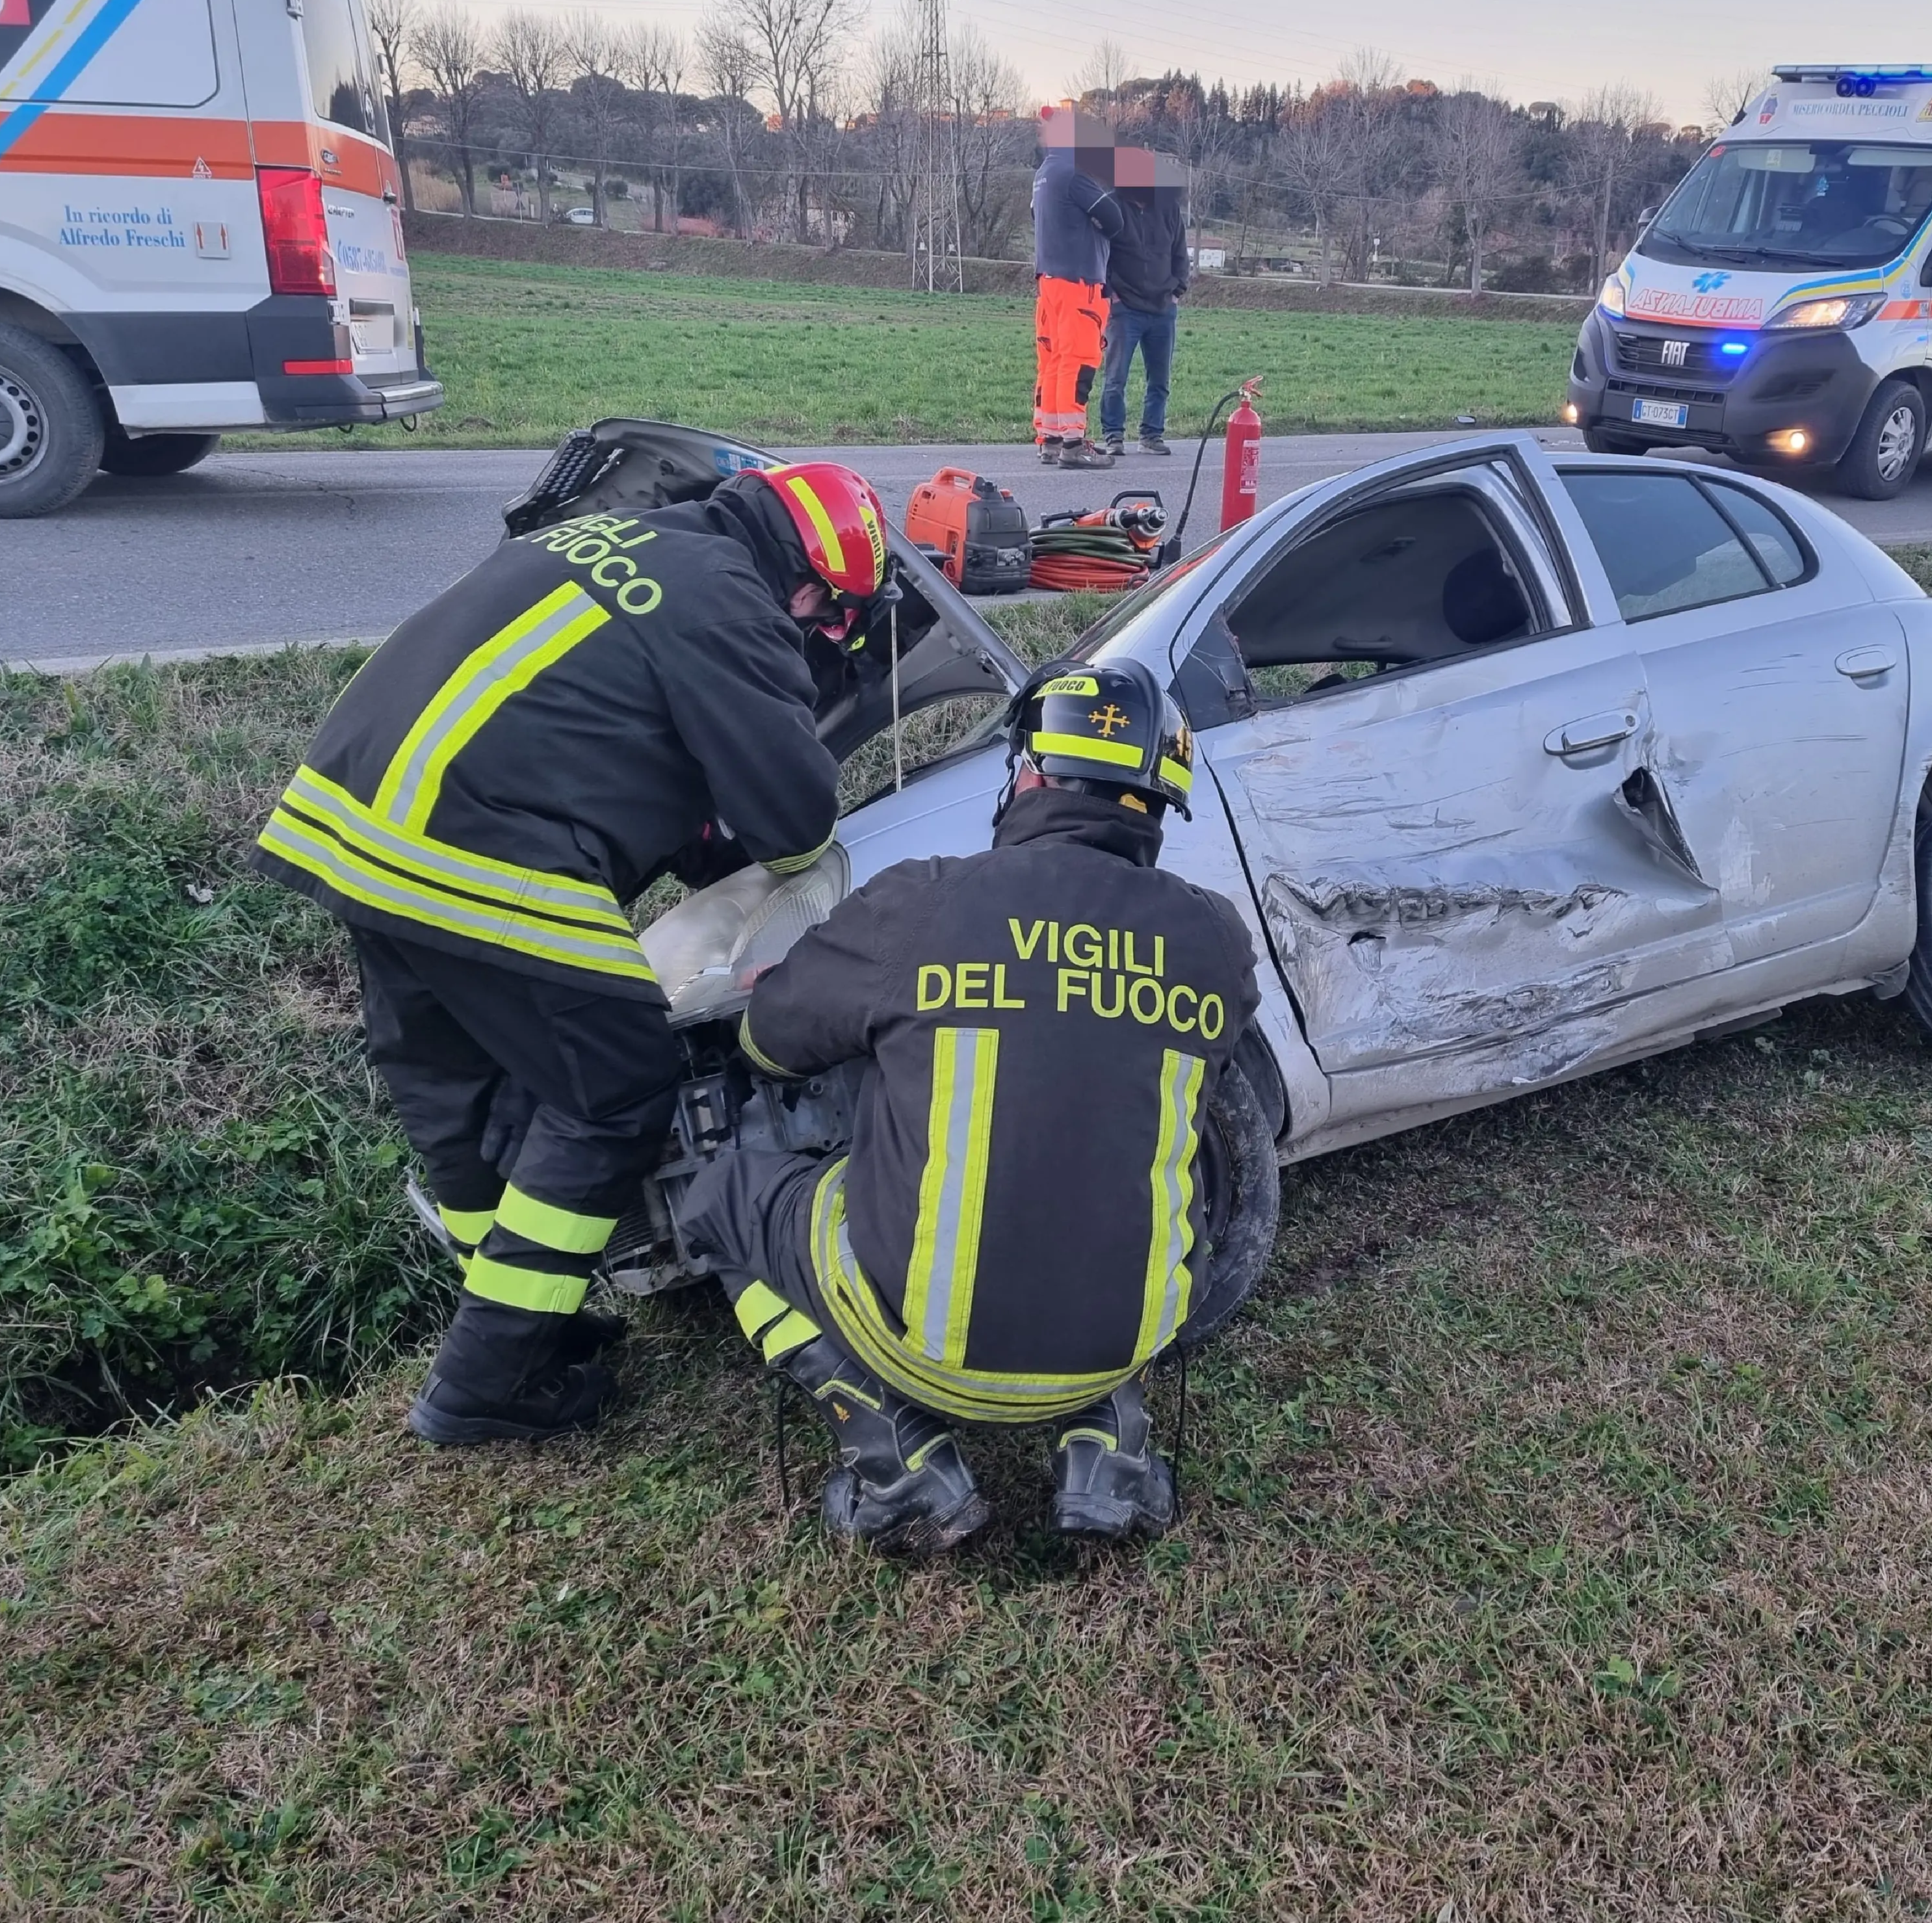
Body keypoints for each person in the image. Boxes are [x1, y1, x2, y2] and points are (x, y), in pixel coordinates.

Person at [253, 463, 898, 1446]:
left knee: (458, 1089)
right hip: (480, 849)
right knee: (620, 1083)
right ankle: (483, 1386)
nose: (817, 630)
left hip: (353, 828)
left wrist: (696, 836)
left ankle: (523, 1331)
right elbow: (797, 819)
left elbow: (596, 728)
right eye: (827, 615)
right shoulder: (733, 601)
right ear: (808, 581)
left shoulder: (611, 537)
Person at [677, 658, 1262, 1556]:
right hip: (1130, 1340)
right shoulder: (1216, 938)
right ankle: (1111, 1450)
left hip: (920, 1350)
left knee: (722, 1194)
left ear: (1028, 772)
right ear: (1159, 802)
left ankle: (893, 1455)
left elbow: (769, 1042)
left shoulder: (925, 900)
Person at [1032, 105, 1128, 470]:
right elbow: (1115, 219)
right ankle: (1074, 443)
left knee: (1053, 362)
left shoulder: (1044, 174)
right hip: (1079, 284)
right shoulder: (1074, 174)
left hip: (1050, 283)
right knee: (1079, 361)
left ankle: (1050, 439)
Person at [1100, 158, 1190, 458]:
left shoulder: (1168, 208)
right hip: (1125, 308)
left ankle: (1152, 435)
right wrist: (1110, 294)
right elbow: (1101, 253)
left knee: (1160, 380)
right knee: (1116, 378)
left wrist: (1178, 289)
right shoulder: (1112, 206)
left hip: (1163, 307)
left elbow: (1180, 252)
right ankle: (1113, 436)